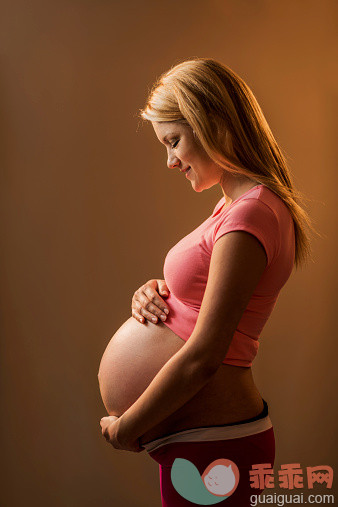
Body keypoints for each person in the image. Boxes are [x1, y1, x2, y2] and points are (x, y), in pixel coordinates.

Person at [100, 57, 316, 506]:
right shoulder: (236, 207)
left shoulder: (251, 212)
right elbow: (205, 297)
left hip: (215, 446)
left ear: (213, 123)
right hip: (203, 443)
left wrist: (128, 427)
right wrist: (160, 292)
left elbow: (204, 355)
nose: (170, 160)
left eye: (174, 141)